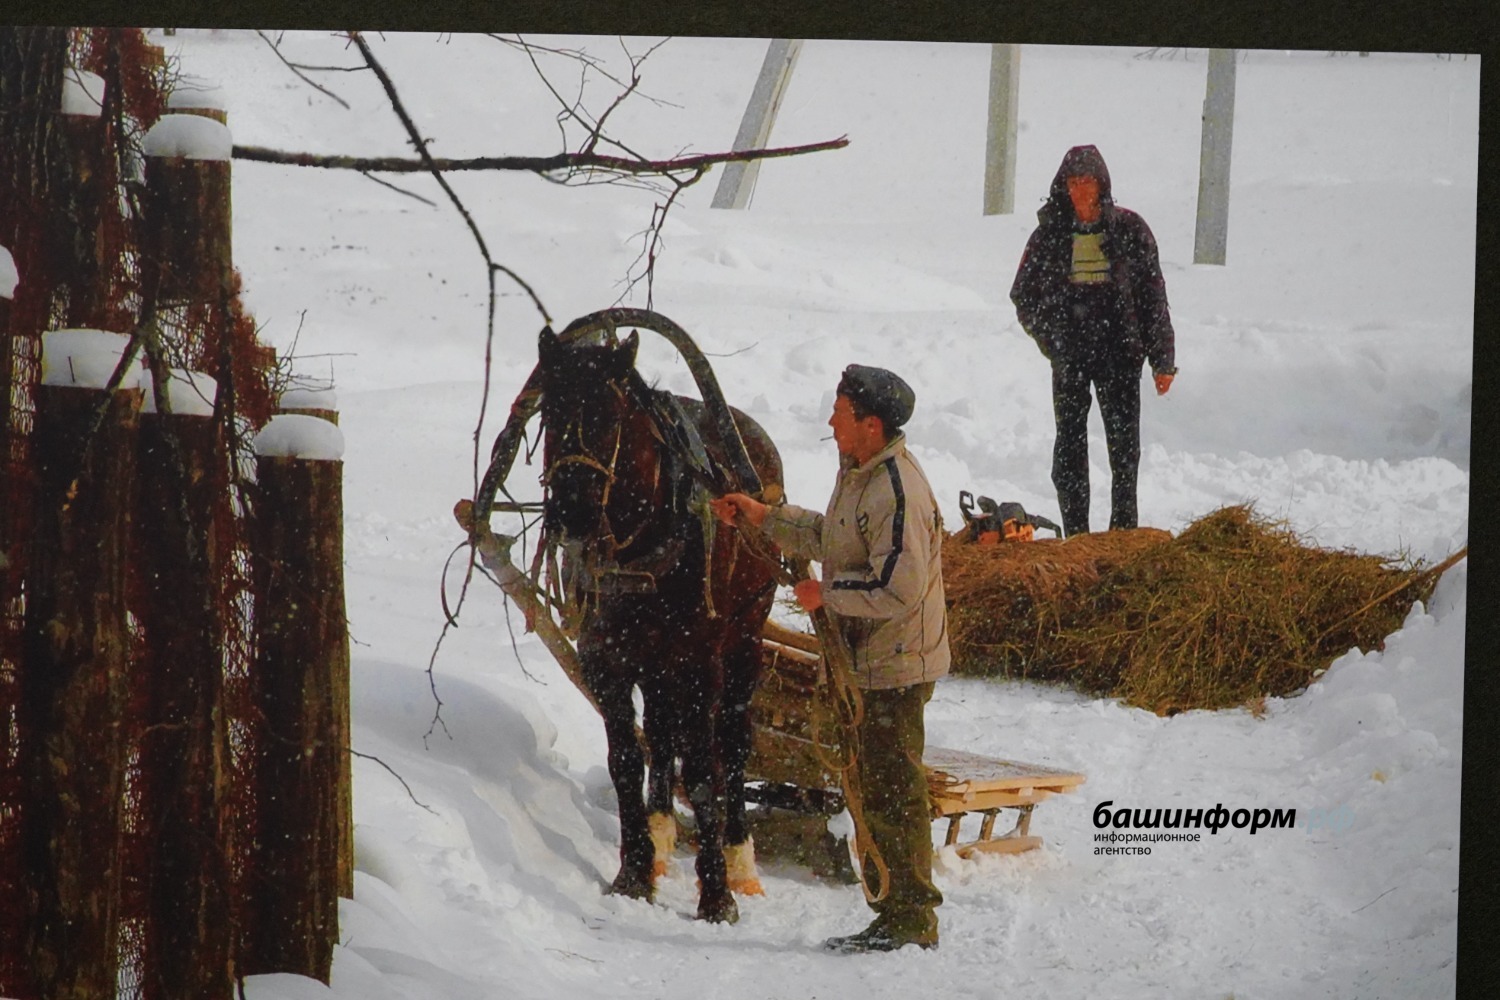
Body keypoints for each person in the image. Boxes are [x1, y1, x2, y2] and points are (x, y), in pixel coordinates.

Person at [711, 363, 949, 954]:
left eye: (839, 412)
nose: (830, 420)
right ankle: (893, 911)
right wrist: (766, 518)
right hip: (866, 657)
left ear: (870, 424)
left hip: (895, 664)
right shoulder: (859, 472)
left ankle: (913, 920)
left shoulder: (896, 489)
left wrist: (828, 596)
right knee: (874, 789)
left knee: (895, 791)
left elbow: (901, 588)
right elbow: (832, 539)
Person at [1009, 144, 1177, 536]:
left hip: (1120, 353)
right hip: (1071, 356)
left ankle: (1122, 533)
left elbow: (1153, 297)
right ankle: (1076, 533)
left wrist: (1162, 360)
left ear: (1102, 186)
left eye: (1087, 182)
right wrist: (1052, 339)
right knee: (1068, 446)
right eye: (1073, 182)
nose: (1080, 191)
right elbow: (1023, 294)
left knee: (1124, 449)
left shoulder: (1131, 231)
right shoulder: (1049, 235)